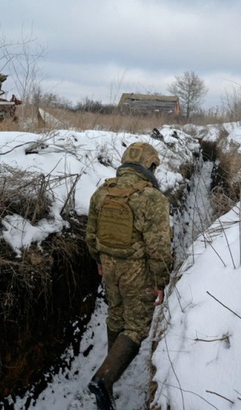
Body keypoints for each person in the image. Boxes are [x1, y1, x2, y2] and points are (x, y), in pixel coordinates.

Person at [85, 141, 173, 410]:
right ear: (150, 165)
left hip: (109, 268)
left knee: (116, 315)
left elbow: (91, 235)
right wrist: (161, 281)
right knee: (135, 327)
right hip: (138, 272)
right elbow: (158, 247)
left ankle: (110, 375)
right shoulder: (152, 198)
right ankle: (104, 379)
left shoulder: (103, 192)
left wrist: (99, 260)